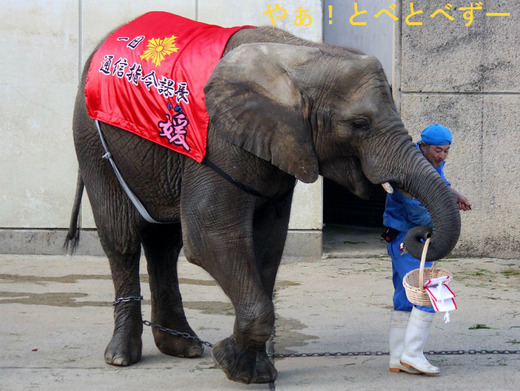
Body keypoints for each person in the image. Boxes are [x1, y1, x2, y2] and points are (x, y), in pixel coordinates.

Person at [382, 124, 471, 375]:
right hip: (408, 239)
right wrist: (444, 224)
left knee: (403, 296)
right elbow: (418, 211)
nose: (442, 156)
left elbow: (439, 183)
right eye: (437, 150)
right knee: (426, 295)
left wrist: (454, 195)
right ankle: (413, 355)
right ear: (422, 146)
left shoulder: (428, 163)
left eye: (446, 151)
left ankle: (398, 357)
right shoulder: (410, 171)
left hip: (402, 238)